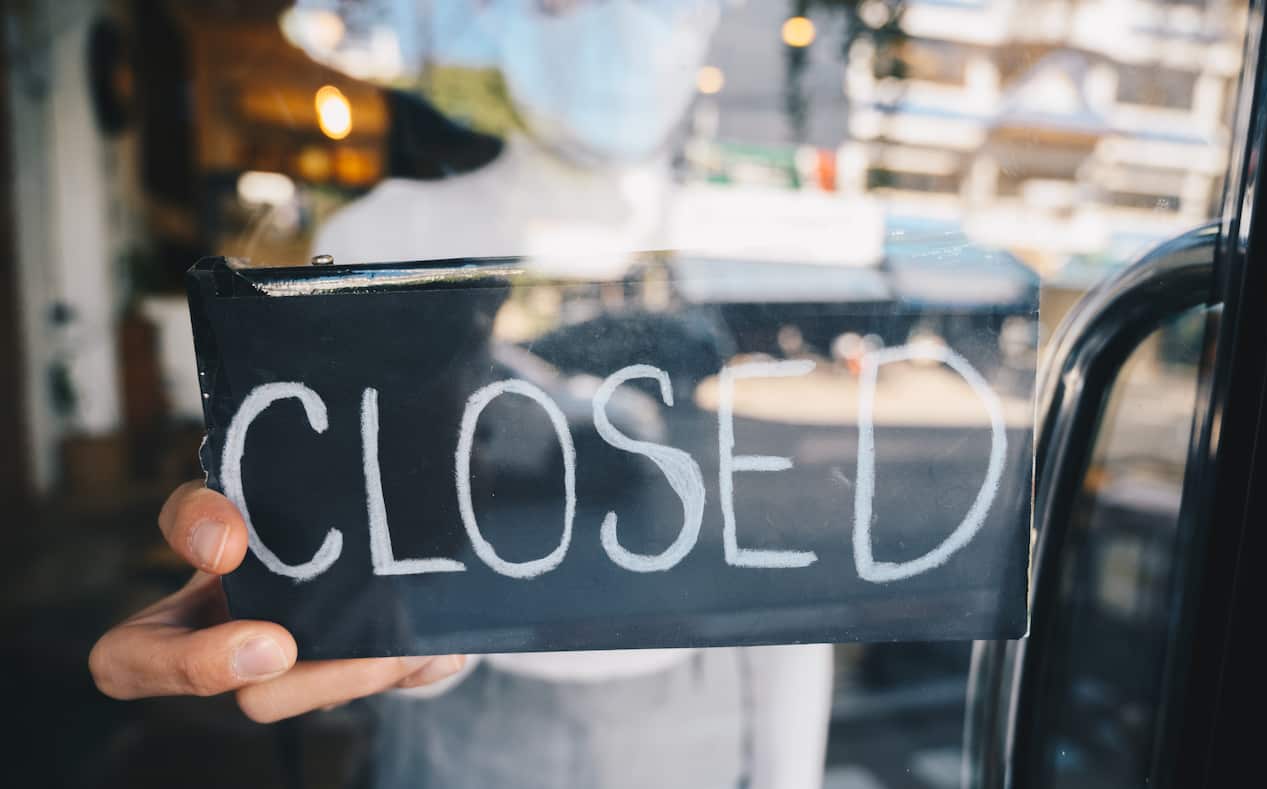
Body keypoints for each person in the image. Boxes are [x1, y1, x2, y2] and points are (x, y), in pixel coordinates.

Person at [91, 2, 833, 786]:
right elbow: (378, 546)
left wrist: (790, 768)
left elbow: (797, 566)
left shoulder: (756, 243)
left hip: (702, 700)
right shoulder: (387, 238)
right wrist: (314, 595)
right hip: (464, 705)